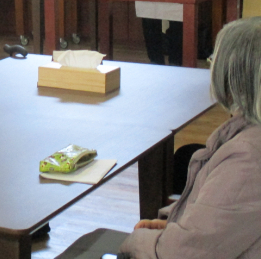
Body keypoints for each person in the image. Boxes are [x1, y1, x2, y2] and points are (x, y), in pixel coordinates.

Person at [57, 17, 261, 259]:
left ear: (232, 78)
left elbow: (181, 253)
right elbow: (227, 220)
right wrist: (176, 223)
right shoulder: (246, 142)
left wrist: (139, 241)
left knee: (87, 247)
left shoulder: (247, 158)